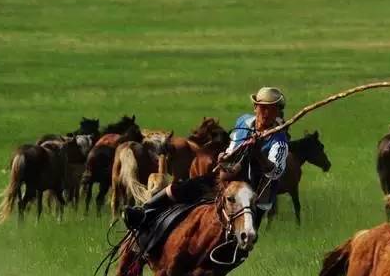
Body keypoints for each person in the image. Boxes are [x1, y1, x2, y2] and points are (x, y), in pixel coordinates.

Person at [122, 87, 289, 230]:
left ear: (277, 112)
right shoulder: (244, 122)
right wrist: (224, 157)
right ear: (255, 107)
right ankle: (144, 211)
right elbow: (232, 148)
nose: (266, 113)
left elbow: (274, 172)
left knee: (242, 235)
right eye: (262, 108)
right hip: (228, 177)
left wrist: (258, 151)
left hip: (255, 191)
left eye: (272, 109)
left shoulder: (279, 141)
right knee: (182, 187)